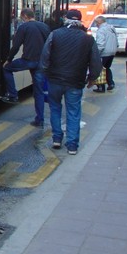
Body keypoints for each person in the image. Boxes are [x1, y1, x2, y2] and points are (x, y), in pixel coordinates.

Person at [40, 9, 102, 156]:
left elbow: (45, 56)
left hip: (55, 79)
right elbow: (96, 62)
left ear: (65, 19)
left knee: (55, 108)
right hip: (75, 81)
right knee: (73, 112)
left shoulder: (55, 34)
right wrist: (92, 78)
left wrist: (45, 73)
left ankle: (56, 138)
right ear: (80, 21)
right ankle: (72, 145)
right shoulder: (88, 38)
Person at [1, 8, 50, 127]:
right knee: (38, 92)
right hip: (41, 63)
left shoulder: (24, 27)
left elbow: (16, 46)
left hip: (28, 60)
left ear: (25, 16)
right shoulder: (44, 26)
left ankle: (13, 95)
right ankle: (39, 119)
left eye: (22, 17)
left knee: (7, 69)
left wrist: (9, 59)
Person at [92, 15, 117, 91]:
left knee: (99, 69)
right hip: (112, 51)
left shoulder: (101, 30)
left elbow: (100, 44)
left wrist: (96, 54)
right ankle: (111, 83)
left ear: (98, 22)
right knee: (107, 68)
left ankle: (101, 87)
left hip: (104, 52)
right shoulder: (111, 28)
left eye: (96, 23)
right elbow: (116, 39)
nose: (96, 25)